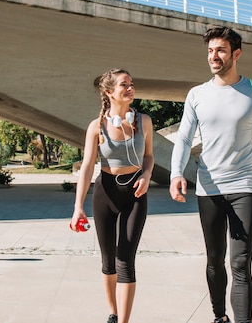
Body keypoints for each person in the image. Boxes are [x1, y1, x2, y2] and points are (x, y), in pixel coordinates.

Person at [169, 26, 252, 323]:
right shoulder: (197, 94)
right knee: (214, 261)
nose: (213, 56)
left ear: (236, 54)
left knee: (240, 263)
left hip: (245, 185)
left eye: (220, 50)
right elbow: (183, 138)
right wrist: (176, 173)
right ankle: (219, 317)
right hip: (208, 188)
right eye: (210, 51)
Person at [71, 68, 154, 323]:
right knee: (109, 260)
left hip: (135, 193)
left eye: (132, 83)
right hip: (105, 192)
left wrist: (147, 175)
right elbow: (86, 167)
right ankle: (113, 314)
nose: (130, 88)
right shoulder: (97, 126)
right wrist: (78, 206)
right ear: (109, 92)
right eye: (124, 85)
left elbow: (149, 157)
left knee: (126, 260)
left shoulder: (145, 121)